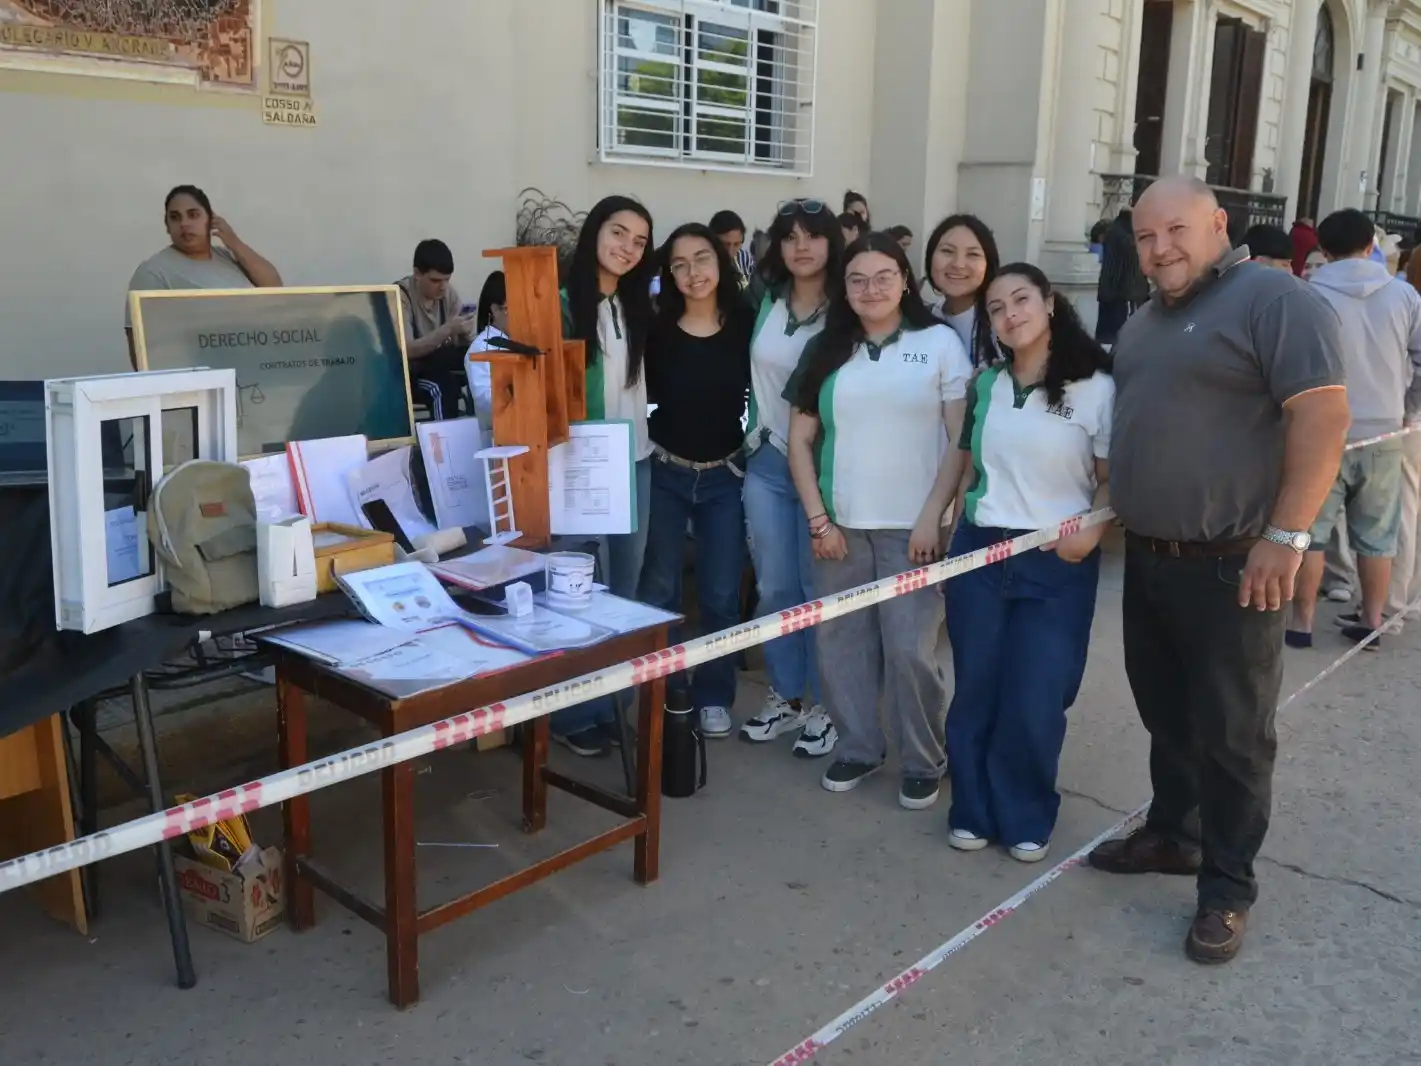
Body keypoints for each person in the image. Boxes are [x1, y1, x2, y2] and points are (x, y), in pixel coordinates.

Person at [1090, 176, 1348, 965]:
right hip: (1152, 559)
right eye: (1145, 237)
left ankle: (1227, 889)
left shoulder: (1274, 301)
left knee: (1234, 737)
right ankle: (1174, 834)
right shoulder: (1141, 324)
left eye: (1176, 230)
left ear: (1217, 225)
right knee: (1167, 714)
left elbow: (1323, 413)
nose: (1160, 248)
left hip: (1236, 566)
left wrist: (1287, 535)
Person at [785, 231, 972, 808]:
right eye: (858, 279)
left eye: (884, 276)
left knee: (911, 651)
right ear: (844, 288)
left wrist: (933, 517)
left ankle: (923, 757)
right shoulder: (825, 349)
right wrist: (820, 522)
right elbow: (799, 442)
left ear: (905, 280)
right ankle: (859, 747)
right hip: (839, 527)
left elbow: (959, 442)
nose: (871, 289)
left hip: (912, 530)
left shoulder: (938, 344)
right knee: (840, 644)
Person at [945, 263, 1113, 861]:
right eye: (995, 307)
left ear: (1049, 303)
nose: (1009, 314)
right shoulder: (986, 383)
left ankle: (1025, 812)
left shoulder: (1096, 384)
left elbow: (1110, 478)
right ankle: (972, 807)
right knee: (977, 688)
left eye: (1021, 300)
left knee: (1038, 694)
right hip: (980, 551)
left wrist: (1091, 531)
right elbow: (966, 462)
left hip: (1056, 559)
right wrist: (934, 520)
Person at [637, 224, 753, 738]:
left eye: (701, 259)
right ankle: (666, 688)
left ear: (721, 261)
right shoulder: (657, 329)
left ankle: (713, 694)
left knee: (721, 593)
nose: (692, 273)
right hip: (666, 470)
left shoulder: (745, 324)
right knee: (659, 588)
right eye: (679, 264)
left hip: (724, 475)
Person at [1287, 208, 1421, 650]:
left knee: (1311, 531)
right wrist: (1408, 408)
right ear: (1371, 245)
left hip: (1321, 431)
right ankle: (1371, 621)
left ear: (1323, 250)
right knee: (1377, 535)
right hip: (1384, 429)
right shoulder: (1404, 297)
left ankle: (1302, 623)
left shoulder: (1306, 294)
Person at [552, 195, 657, 755]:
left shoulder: (636, 307)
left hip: (634, 460)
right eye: (619, 233)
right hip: (581, 465)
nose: (627, 248)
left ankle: (609, 705)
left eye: (640, 242)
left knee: (624, 591)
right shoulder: (566, 306)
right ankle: (570, 716)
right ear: (594, 232)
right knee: (580, 591)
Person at [739, 198, 843, 755]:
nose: (802, 247)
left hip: (823, 470)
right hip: (766, 461)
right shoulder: (767, 303)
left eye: (813, 236)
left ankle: (829, 704)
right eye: (790, 237)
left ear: (832, 243)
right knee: (775, 586)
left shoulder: (849, 307)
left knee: (817, 588)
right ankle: (787, 694)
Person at [125, 185, 282, 366]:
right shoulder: (154, 271)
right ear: (167, 226)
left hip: (253, 367)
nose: (184, 223)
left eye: (193, 215)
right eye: (175, 217)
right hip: (201, 377)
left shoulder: (228, 257)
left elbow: (274, 286)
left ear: (210, 219)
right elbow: (141, 348)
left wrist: (234, 242)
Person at [396, 239, 475, 421]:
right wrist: (447, 329)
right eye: (435, 280)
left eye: (446, 280)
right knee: (442, 388)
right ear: (417, 273)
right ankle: (446, 446)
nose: (442, 286)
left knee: (478, 366)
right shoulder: (401, 296)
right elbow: (405, 350)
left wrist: (463, 333)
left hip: (440, 366)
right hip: (410, 374)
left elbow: (462, 344)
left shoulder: (448, 294)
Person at [923, 213, 1001, 367]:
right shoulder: (922, 320)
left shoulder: (1003, 323)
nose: (958, 264)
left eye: (973, 254)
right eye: (947, 251)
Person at [1095, 208, 1148, 344]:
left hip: (1112, 291)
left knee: (1108, 335)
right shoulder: (1131, 236)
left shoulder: (1114, 233)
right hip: (1126, 293)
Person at [463, 270, 508, 427]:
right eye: (511, 308)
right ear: (495, 310)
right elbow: (485, 398)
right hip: (496, 436)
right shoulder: (480, 348)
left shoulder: (525, 341)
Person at [709, 209, 755, 285]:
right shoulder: (704, 263)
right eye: (725, 244)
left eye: (736, 244)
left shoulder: (744, 257)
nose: (730, 252)